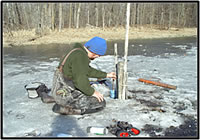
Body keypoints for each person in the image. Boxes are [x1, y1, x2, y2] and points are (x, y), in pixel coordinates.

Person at [51, 37, 116, 115]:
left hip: (62, 89)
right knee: (100, 103)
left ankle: (62, 103)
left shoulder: (78, 52)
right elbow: (80, 80)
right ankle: (66, 109)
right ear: (94, 51)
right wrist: (92, 92)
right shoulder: (80, 57)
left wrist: (106, 75)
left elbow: (87, 70)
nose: (98, 57)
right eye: (98, 55)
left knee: (91, 95)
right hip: (65, 93)